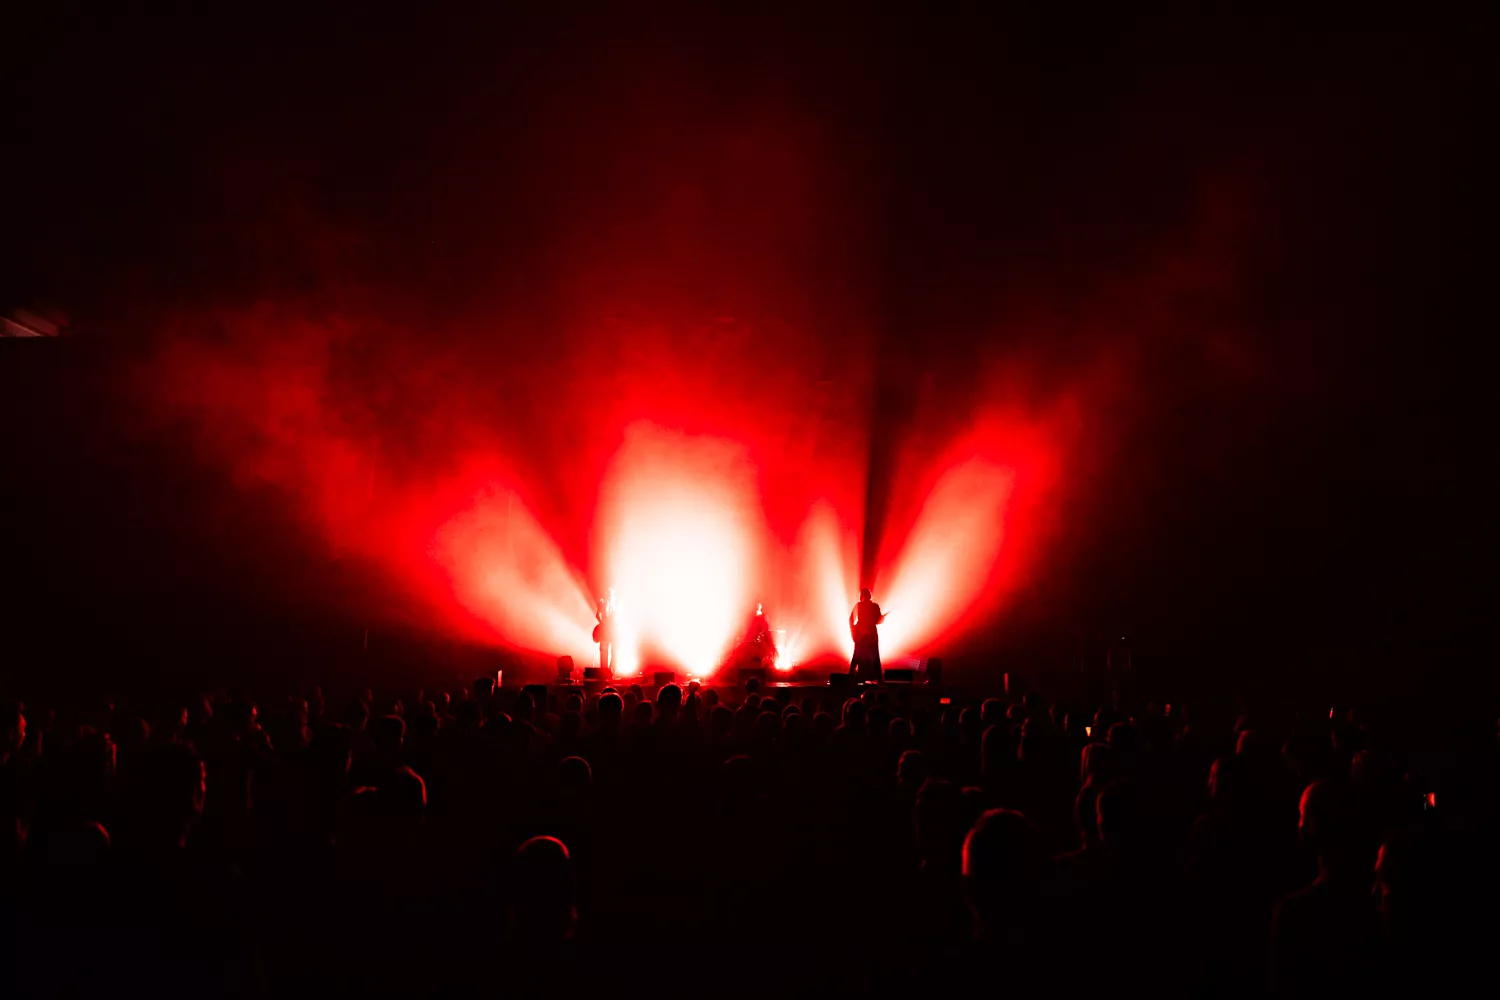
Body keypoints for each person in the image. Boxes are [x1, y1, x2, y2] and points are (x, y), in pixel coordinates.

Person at [849, 588, 886, 683]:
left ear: (861, 596)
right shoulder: (874, 606)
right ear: (870, 596)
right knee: (875, 655)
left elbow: (851, 619)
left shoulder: (859, 605)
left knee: (857, 655)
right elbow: (878, 621)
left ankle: (851, 677)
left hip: (860, 635)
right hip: (871, 634)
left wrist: (854, 632)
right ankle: (879, 679)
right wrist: (882, 618)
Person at [593, 591, 615, 675]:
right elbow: (598, 616)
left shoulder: (610, 605)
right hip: (606, 633)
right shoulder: (604, 604)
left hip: (610, 632)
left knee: (613, 653)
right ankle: (605, 672)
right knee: (604, 653)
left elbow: (598, 616)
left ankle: (610, 671)